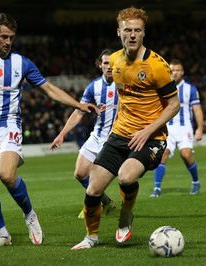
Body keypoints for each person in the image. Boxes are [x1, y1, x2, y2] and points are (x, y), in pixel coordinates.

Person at [0, 12, 99, 249]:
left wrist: (78, 104)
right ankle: (3, 233)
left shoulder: (23, 63)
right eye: (3, 37)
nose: (8, 42)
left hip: (9, 126)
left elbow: (49, 89)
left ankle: (30, 215)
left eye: (12, 37)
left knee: (6, 175)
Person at [70, 7, 180, 250]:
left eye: (137, 30)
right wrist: (115, 128)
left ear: (143, 33)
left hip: (151, 137)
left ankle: (126, 216)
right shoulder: (117, 61)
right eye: (127, 30)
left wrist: (147, 130)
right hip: (120, 134)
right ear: (118, 32)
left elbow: (174, 105)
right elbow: (125, 99)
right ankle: (91, 238)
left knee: (126, 176)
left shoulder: (157, 65)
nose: (132, 35)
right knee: (93, 189)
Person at [50, 49, 117, 218]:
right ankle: (107, 202)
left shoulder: (124, 84)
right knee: (80, 173)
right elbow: (79, 112)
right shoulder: (93, 87)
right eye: (106, 63)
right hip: (97, 136)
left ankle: (91, 207)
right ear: (100, 65)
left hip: (116, 137)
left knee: (98, 175)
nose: (109, 66)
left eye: (112, 62)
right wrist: (62, 134)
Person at [150, 59, 204, 197]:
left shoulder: (190, 89)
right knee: (162, 155)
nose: (174, 73)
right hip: (168, 127)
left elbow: (197, 110)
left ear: (182, 72)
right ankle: (157, 188)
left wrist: (200, 128)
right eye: (172, 70)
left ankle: (196, 182)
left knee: (186, 154)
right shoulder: (162, 87)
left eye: (177, 70)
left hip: (184, 127)